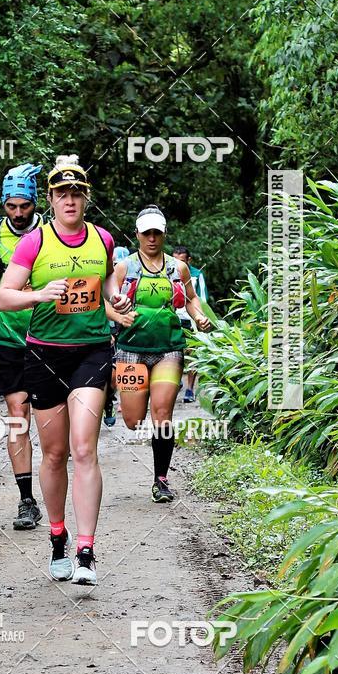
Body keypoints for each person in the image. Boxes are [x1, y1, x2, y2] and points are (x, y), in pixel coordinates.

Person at [0, 155, 132, 586]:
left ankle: (87, 551)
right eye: (62, 194)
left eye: (77, 193)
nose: (69, 200)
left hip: (91, 351)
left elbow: (107, 285)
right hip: (43, 355)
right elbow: (4, 298)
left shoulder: (103, 240)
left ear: (85, 199)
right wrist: (39, 294)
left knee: (83, 448)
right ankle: (58, 537)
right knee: (54, 454)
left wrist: (118, 301)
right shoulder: (33, 243)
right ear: (51, 200)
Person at [113, 207, 211, 503]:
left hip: (169, 348)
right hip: (130, 350)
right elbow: (106, 301)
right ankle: (122, 401)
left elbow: (192, 299)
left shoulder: (177, 269)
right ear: (137, 235)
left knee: (162, 414)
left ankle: (160, 479)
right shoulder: (124, 268)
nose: (152, 238)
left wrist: (199, 318)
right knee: (132, 420)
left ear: (164, 234)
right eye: (147, 233)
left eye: (157, 232)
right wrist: (117, 317)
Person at [0, 163, 44, 531]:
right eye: (11, 206)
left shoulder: (52, 233)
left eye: (24, 206)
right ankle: (27, 500)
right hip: (10, 337)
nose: (17, 213)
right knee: (18, 416)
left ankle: (60, 488)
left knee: (50, 423)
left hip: (51, 337)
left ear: (35, 202)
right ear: (3, 203)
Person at [173, 245, 209, 403]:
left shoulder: (196, 275)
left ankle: (189, 389)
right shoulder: (168, 273)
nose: (178, 264)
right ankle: (176, 380)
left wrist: (200, 317)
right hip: (174, 319)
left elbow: (201, 298)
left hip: (192, 320)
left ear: (189, 260)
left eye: (181, 260)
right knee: (175, 354)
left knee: (192, 355)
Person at [103, 246, 132, 427]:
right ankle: (105, 403)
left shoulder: (131, 279)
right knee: (107, 374)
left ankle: (110, 402)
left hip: (124, 331)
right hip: (105, 331)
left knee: (116, 376)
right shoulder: (104, 279)